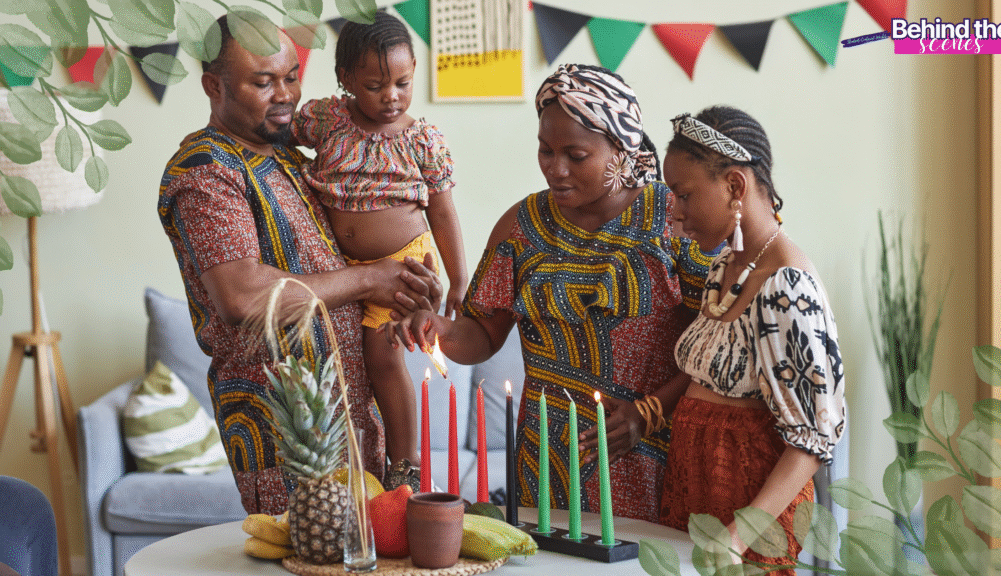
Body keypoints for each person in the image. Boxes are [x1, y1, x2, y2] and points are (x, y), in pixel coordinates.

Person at [385, 64, 716, 523]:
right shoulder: (520, 227)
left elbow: (718, 337)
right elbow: (483, 332)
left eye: (575, 155)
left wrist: (650, 412)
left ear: (621, 149)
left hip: (649, 451)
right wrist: (437, 328)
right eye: (545, 150)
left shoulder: (672, 219)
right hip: (546, 461)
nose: (555, 169)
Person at [157, 16, 442, 515]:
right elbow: (243, 296)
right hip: (288, 441)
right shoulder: (206, 170)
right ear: (213, 86)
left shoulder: (293, 154)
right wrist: (372, 279)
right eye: (264, 82)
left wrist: (410, 274)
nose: (286, 94)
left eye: (291, 76)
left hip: (353, 425)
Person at [658, 105, 846, 574]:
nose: (676, 214)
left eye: (684, 195)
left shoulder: (787, 286)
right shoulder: (726, 268)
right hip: (692, 489)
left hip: (748, 514)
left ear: (735, 187)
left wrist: (741, 533)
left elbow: (812, 439)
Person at [290, 10, 467, 490]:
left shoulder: (421, 138)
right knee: (346, 366)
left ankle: (405, 461)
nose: (392, 96)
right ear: (346, 79)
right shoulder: (326, 119)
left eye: (403, 82)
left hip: (405, 264)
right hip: (342, 268)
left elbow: (444, 212)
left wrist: (459, 278)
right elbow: (281, 141)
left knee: (383, 358)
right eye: (375, 85)